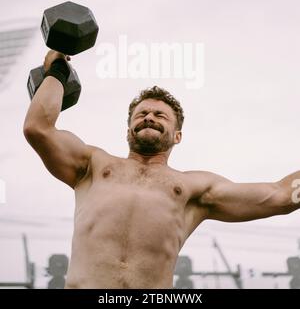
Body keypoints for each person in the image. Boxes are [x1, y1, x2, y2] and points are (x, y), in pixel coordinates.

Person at [23, 50, 300, 289]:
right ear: (128, 129)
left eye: (160, 115)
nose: (149, 118)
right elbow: (38, 128)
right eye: (141, 114)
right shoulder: (92, 166)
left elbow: (280, 196)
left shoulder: (194, 189)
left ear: (177, 135)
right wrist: (57, 70)